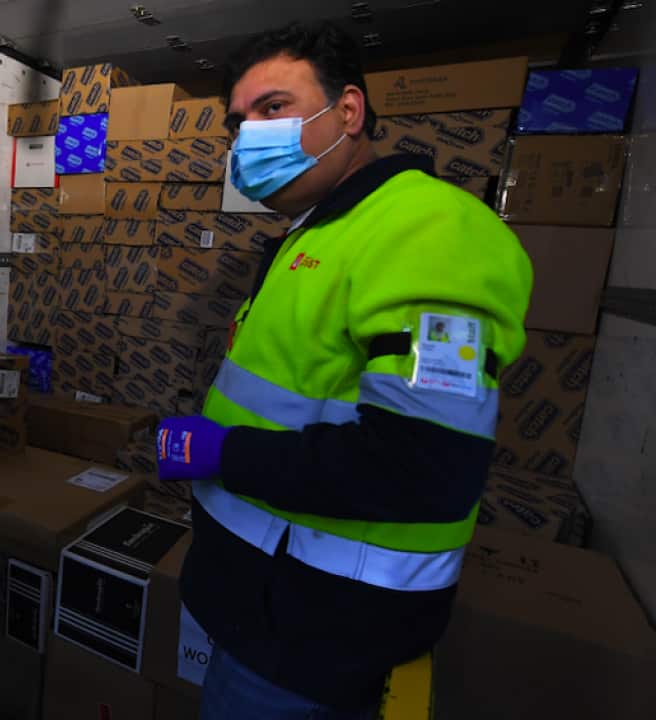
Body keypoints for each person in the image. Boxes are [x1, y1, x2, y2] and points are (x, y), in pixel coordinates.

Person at [154, 22, 533, 719]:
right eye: (239, 124)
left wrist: (218, 451)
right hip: (263, 612)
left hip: (316, 634)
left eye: (273, 108)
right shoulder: (320, 232)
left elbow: (423, 470)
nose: (249, 137)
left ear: (349, 112)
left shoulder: (430, 230)